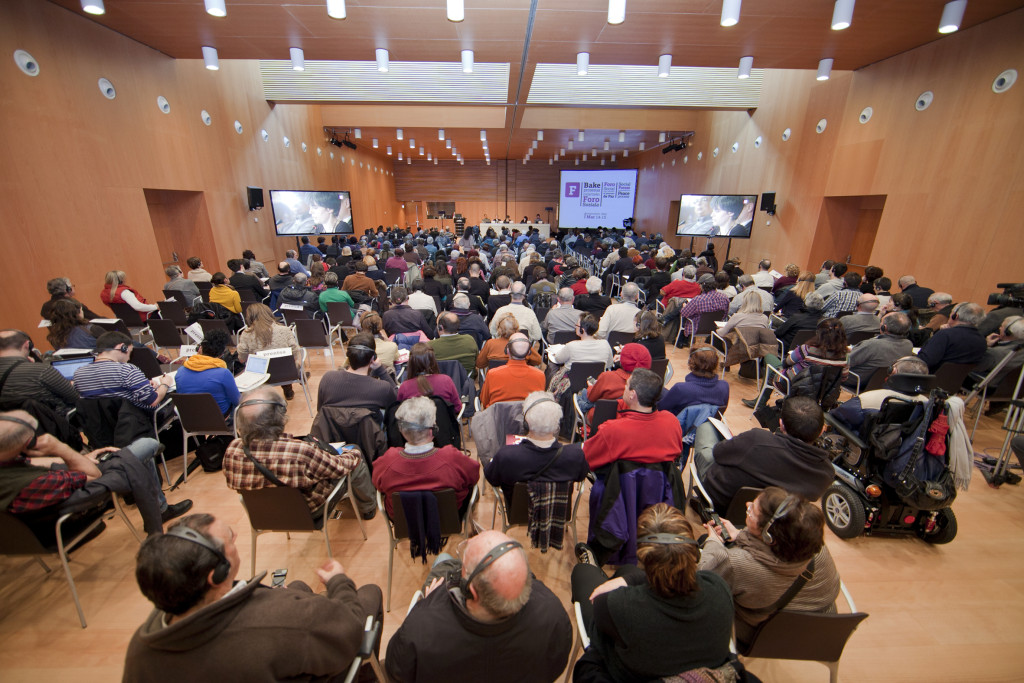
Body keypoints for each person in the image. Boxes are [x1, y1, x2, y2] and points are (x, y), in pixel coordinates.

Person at [124, 513, 381, 682]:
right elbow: (352, 629)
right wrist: (339, 581)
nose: (236, 538)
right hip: (316, 646)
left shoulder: (141, 648)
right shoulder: (279, 619)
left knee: (298, 585)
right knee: (370, 593)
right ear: (217, 574)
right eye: (230, 539)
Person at [571, 504, 734, 682]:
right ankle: (605, 572)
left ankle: (591, 566)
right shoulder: (719, 588)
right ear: (694, 552)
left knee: (583, 573)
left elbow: (598, 638)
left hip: (628, 675)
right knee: (626, 571)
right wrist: (629, 580)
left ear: (642, 557)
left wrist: (620, 590)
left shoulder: (616, 605)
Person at [384, 530, 571, 683]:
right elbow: (556, 667)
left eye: (463, 566)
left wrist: (429, 602)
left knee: (444, 560)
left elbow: (396, 671)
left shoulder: (420, 628)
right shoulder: (554, 615)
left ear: (471, 591)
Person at [0, 410, 189, 535]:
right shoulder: (36, 483)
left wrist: (81, 457)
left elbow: (31, 461)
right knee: (148, 445)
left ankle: (159, 506)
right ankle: (160, 509)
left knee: (141, 453)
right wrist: (61, 449)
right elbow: (93, 475)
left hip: (41, 511)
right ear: (29, 444)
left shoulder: (8, 464)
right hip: (76, 502)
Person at [699, 487, 842, 644]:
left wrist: (713, 541)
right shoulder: (812, 544)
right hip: (822, 627)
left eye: (752, 510)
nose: (747, 505)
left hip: (767, 635)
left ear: (768, 537)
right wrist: (741, 535)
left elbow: (701, 578)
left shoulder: (737, 564)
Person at [224, 387, 376, 518]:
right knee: (355, 454)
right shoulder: (299, 452)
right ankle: (369, 508)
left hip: (265, 515)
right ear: (280, 418)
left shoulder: (232, 450)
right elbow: (340, 466)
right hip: (310, 511)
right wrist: (351, 453)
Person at [693, 396, 834, 512]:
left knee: (706, 427)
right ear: (822, 430)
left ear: (781, 424)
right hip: (773, 520)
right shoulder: (825, 473)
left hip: (720, 500)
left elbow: (718, 454)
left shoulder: (756, 440)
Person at [371, 396, 478, 517]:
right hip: (450, 518)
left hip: (404, 522)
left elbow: (377, 483)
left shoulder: (387, 461)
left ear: (401, 430)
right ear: (433, 429)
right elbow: (474, 476)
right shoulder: (452, 457)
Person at [484, 391, 589, 505]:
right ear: (557, 425)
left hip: (516, 514)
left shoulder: (506, 456)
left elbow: (492, 478)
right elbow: (581, 476)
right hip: (558, 515)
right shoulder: (576, 456)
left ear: (526, 424)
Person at [582, 368, 682, 472]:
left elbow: (587, 458)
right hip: (661, 485)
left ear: (632, 394)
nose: (624, 387)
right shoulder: (672, 422)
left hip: (618, 485)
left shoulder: (611, 429)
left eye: (627, 385)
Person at [743, 317, 849, 409]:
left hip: (794, 387)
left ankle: (760, 401)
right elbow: (843, 378)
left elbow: (786, 363)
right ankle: (760, 401)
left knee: (769, 358)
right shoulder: (844, 356)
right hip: (824, 394)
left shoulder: (807, 349)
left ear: (819, 333)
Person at [73, 332, 172, 411]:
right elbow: (153, 401)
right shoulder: (127, 370)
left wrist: (143, 383)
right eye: (130, 351)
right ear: (122, 347)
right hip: (138, 421)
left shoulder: (78, 373)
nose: (129, 357)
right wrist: (165, 384)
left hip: (101, 429)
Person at [0, 330, 79, 415]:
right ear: (27, 345)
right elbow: (74, 397)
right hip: (51, 422)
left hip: (9, 423)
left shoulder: (38, 370)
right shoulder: (42, 370)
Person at [235, 303, 301, 399]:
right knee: (285, 362)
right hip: (287, 373)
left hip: (260, 377)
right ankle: (288, 389)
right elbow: (295, 353)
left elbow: (242, 359)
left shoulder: (246, 334)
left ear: (249, 317)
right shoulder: (285, 330)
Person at [319, 332, 397, 411]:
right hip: (369, 423)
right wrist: (380, 370)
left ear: (348, 355)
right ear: (373, 358)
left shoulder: (328, 378)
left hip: (331, 423)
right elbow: (397, 401)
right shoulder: (382, 387)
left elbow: (320, 411)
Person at [172, 330, 240, 417]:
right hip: (220, 420)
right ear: (221, 354)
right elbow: (237, 401)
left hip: (190, 420)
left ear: (200, 349)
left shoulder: (180, 371)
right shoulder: (224, 374)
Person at [845, 312, 914, 387]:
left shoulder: (872, 345)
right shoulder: (908, 344)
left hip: (856, 381)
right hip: (883, 383)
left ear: (884, 327)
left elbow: (846, 361)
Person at [917, 302, 988, 373]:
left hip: (929, 379)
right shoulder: (982, 340)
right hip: (956, 382)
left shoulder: (945, 335)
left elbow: (924, 361)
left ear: (955, 316)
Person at [479, 333, 546, 408]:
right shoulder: (540, 376)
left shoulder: (492, 374)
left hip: (498, 419)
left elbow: (484, 402)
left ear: (507, 351)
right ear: (528, 352)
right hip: (527, 419)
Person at [659, 345, 730, 415]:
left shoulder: (680, 388)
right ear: (716, 363)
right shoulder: (724, 386)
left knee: (657, 390)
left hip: (678, 423)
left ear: (691, 363)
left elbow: (660, 408)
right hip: (706, 423)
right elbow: (720, 411)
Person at [398, 343, 462, 412]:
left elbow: (400, 412)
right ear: (433, 361)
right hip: (443, 422)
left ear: (411, 363)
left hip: (415, 422)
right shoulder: (446, 380)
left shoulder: (405, 387)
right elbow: (457, 407)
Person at [676, 276, 730, 341]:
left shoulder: (698, 299)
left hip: (697, 329)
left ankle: (681, 341)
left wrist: (684, 306)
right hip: (716, 328)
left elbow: (684, 314)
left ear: (702, 286)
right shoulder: (724, 298)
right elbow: (725, 315)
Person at [478, 314, 542, 368]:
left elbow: (480, 364)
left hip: (495, 380)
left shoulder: (490, 343)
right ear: (516, 328)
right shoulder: (522, 344)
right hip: (518, 380)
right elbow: (538, 361)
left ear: (499, 329)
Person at [429, 311, 478, 377]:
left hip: (440, 383)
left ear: (441, 327)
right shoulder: (470, 340)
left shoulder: (429, 346)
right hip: (465, 382)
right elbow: (476, 361)